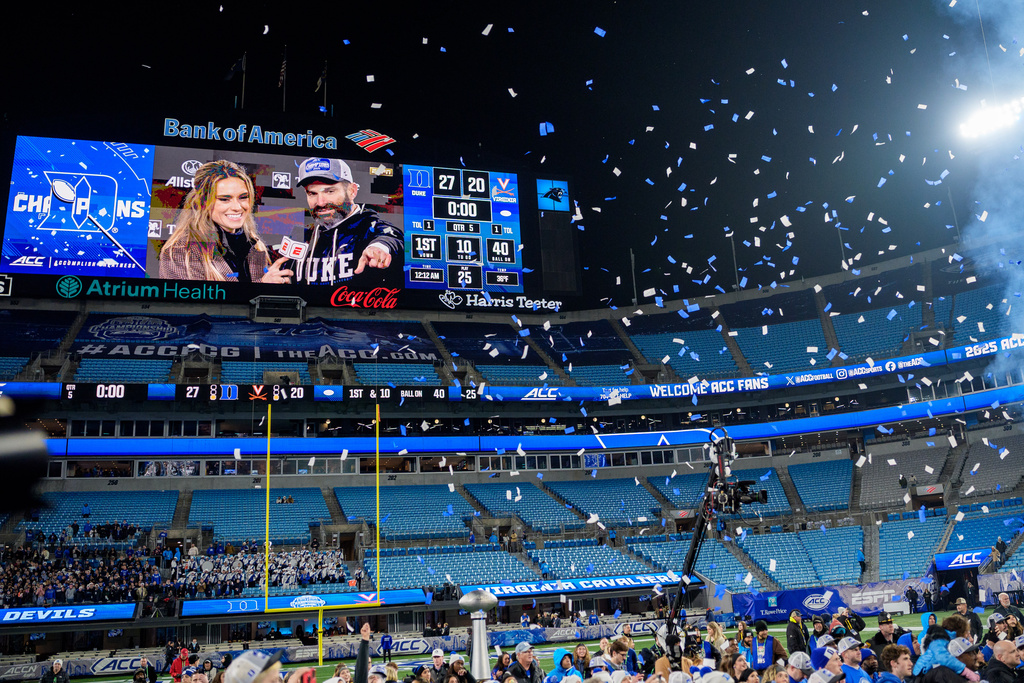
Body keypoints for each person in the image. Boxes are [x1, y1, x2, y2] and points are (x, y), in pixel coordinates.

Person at [159, 160, 292, 284]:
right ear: (203, 203)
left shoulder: (256, 247)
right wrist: (262, 286)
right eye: (224, 199)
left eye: (243, 197)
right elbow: (193, 306)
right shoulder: (181, 251)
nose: (237, 207)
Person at [291, 157, 403, 287]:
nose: (320, 202)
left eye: (330, 191)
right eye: (312, 193)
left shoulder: (369, 226)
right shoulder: (301, 237)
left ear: (352, 191)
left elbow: (391, 237)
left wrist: (380, 248)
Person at [912, 625, 978, 681]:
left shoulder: (943, 639)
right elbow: (944, 659)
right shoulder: (938, 642)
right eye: (966, 634)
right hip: (921, 674)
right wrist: (966, 672)